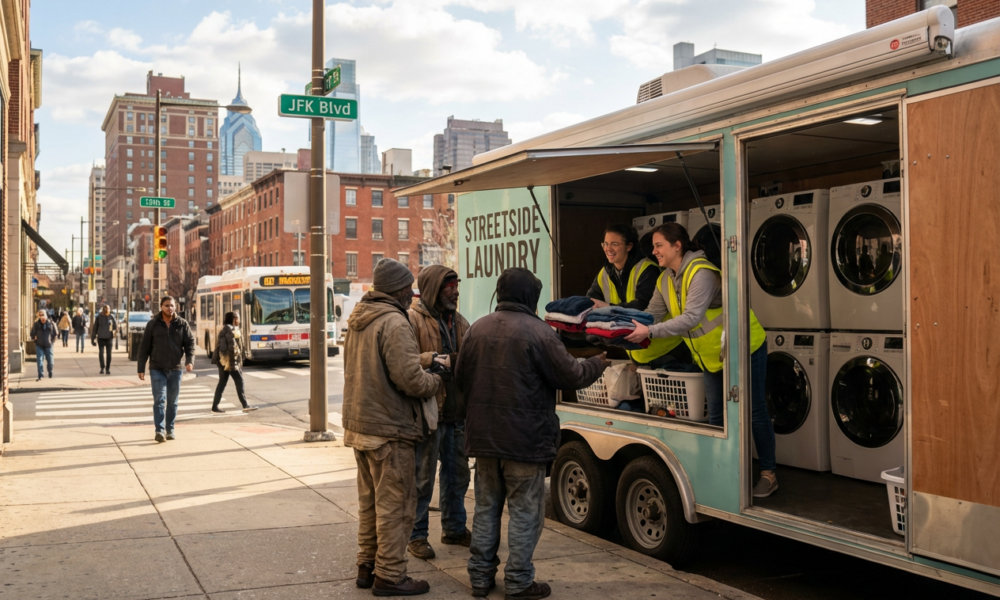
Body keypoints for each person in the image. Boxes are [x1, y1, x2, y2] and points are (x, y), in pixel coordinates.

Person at [457, 268, 610, 600]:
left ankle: (480, 579)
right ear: (530, 296)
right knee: (525, 513)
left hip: (484, 439)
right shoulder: (539, 333)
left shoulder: (476, 329)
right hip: (524, 441)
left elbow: (460, 378)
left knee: (485, 509)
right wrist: (599, 362)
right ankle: (518, 581)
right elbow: (571, 375)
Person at [624, 223, 777, 497]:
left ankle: (768, 473)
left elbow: (691, 318)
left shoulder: (701, 272)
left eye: (659, 245)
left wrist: (648, 331)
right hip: (712, 356)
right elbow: (652, 315)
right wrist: (619, 326)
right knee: (716, 416)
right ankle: (724, 475)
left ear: (677, 245)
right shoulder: (665, 279)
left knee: (753, 412)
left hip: (744, 346)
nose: (654, 251)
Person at [342, 258, 442, 596]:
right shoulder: (395, 323)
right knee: (396, 507)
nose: (413, 295)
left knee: (370, 504)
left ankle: (366, 566)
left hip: (361, 426)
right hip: (389, 429)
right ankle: (391, 576)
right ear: (399, 291)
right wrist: (435, 379)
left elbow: (379, 364)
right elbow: (409, 380)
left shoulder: (360, 318)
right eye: (409, 289)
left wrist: (425, 358)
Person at [406, 265, 471, 561]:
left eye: (456, 286)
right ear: (434, 289)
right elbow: (403, 360)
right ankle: (416, 536)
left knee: (457, 476)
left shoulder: (460, 321)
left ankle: (455, 528)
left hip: (456, 413)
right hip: (428, 413)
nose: (456, 292)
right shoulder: (412, 319)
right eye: (450, 288)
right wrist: (435, 359)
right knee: (422, 479)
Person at [586, 223, 690, 369]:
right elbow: (589, 303)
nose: (608, 248)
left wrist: (608, 308)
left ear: (629, 246)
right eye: (606, 243)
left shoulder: (647, 270)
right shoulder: (605, 273)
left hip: (668, 350)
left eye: (614, 244)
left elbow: (643, 307)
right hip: (639, 351)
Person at [137, 296, 196, 443]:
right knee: (159, 400)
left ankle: (170, 429)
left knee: (172, 401)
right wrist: (141, 367)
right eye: (167, 305)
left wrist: (189, 361)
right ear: (161, 307)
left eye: (172, 306)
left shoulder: (182, 324)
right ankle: (159, 430)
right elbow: (144, 347)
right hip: (157, 368)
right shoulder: (153, 324)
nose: (170, 308)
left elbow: (190, 344)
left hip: (176, 369)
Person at [211, 311, 258, 413]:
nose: (239, 320)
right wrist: (234, 364)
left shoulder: (230, 329)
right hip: (229, 361)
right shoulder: (230, 330)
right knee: (239, 381)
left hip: (224, 361)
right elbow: (231, 348)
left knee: (222, 383)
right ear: (233, 319)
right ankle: (245, 405)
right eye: (237, 318)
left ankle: (214, 407)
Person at [30, 310, 57, 381]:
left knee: (50, 361)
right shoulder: (36, 324)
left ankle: (50, 372)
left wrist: (52, 341)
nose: (42, 317)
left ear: (46, 315)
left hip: (49, 345)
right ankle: (40, 375)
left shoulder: (51, 323)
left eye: (43, 315)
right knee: (40, 360)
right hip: (39, 345)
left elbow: (56, 333)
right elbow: (32, 333)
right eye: (40, 315)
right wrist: (34, 338)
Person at [91, 304, 118, 375]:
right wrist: (93, 337)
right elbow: (95, 328)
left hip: (109, 337)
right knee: (101, 353)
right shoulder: (99, 317)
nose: (106, 310)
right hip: (101, 338)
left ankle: (107, 368)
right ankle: (103, 367)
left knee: (108, 354)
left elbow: (115, 327)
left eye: (108, 309)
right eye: (106, 309)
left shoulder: (111, 317)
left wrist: (114, 333)